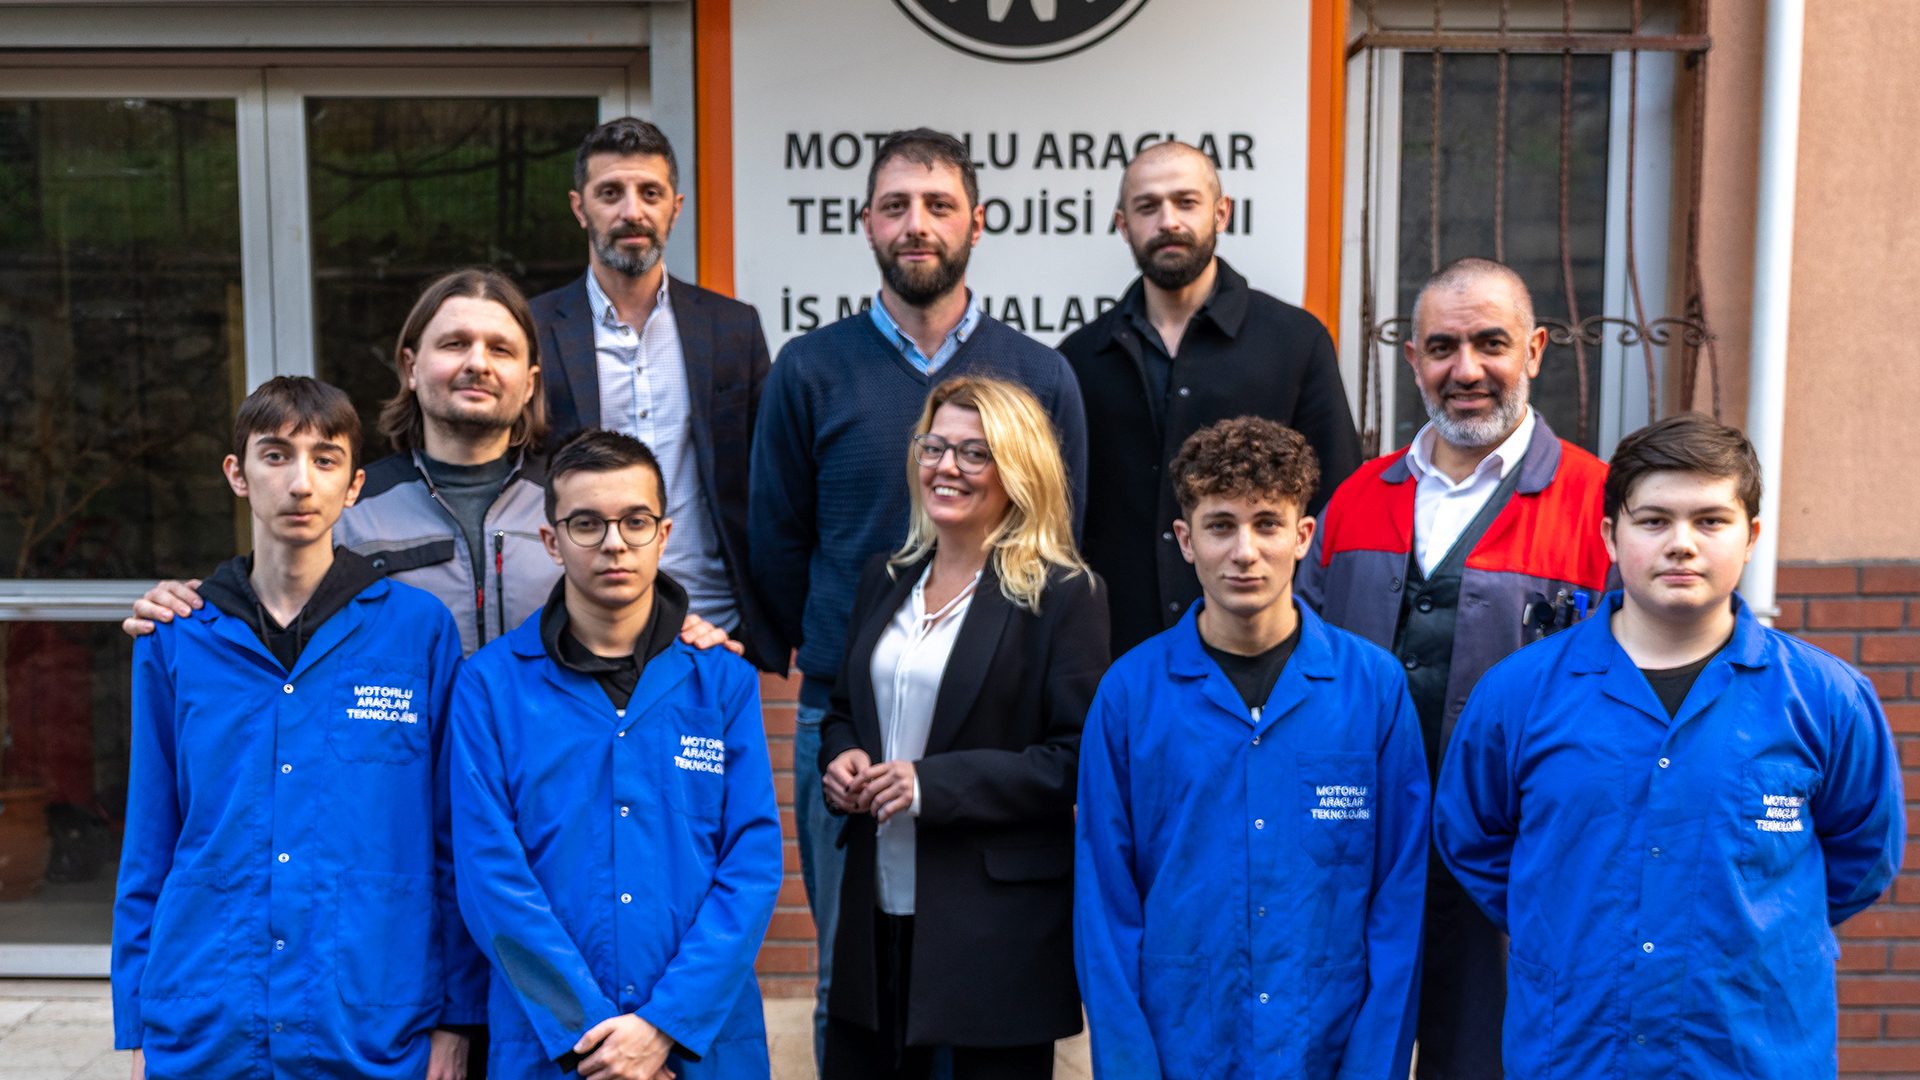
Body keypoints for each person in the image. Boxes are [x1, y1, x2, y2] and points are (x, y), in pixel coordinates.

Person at [749, 126, 1089, 1069]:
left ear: (977, 221)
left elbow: (1064, 535)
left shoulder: (1040, 374)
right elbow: (776, 532)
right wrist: (818, 661)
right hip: (849, 709)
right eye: (896, 205)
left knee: (980, 982)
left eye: (938, 205)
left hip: (995, 717)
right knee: (847, 975)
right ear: (866, 222)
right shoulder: (812, 369)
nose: (917, 224)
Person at [1433, 413, 1904, 1077]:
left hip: (1752, 1052)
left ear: (1752, 538)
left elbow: (1862, 855)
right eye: (1654, 521)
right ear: (1610, 535)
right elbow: (1472, 839)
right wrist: (1563, 919)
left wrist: (1757, 933)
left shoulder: (1823, 698)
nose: (1681, 544)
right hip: (1575, 1049)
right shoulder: (1518, 695)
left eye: (1711, 521)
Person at [112, 376, 483, 1079]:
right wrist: (138, 1024)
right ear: (238, 474)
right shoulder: (176, 638)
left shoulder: (418, 632)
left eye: (325, 458)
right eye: (276, 455)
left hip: (371, 1017)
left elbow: (449, 840)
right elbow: (149, 840)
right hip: (208, 1017)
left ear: (355, 485)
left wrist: (456, 1017)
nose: (300, 483)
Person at [1296, 256, 1612, 1078]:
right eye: (1442, 346)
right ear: (1413, 360)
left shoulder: (1602, 506)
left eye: (1491, 343)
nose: (1465, 370)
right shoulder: (1355, 498)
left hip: (1512, 870)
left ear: (1536, 350)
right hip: (1357, 855)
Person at [122, 267, 734, 657]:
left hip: (544, 797)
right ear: (411, 368)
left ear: (529, 382)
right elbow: (269, 614)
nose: (477, 363)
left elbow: (638, 616)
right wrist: (186, 606)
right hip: (395, 797)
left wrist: (687, 630)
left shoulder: (573, 511)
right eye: (454, 344)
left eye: (500, 349)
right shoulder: (352, 508)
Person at [1076, 416, 1427, 1079]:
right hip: (1182, 1046)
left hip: (1326, 1045)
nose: (1245, 551)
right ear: (1186, 540)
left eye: (1267, 524)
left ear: (1303, 537)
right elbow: (1105, 906)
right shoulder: (1129, 696)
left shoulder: (1372, 691)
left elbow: (1398, 902)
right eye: (1220, 525)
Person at [450, 429, 782, 1079]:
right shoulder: (490, 686)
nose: (613, 543)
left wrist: (664, 1027)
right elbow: (491, 875)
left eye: (635, 521)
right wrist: (591, 1034)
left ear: (664, 532)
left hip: (699, 1045)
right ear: (550, 541)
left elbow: (751, 865)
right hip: (554, 1049)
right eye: (586, 523)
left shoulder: (723, 685)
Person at [818, 376, 1106, 1078]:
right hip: (876, 907)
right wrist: (842, 755)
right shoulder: (885, 578)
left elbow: (1073, 760)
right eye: (935, 446)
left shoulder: (1064, 593)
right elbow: (844, 709)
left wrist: (928, 785)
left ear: (1018, 469)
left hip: (991, 929)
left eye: (974, 453)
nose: (946, 467)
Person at [1059, 140, 1361, 656]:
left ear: (1222, 212)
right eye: (1147, 206)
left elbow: (1338, 502)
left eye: (1186, 202)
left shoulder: (1294, 341)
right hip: (1113, 651)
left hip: (1263, 649)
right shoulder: (1080, 358)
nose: (1168, 220)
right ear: (1121, 223)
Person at [532, 116, 779, 670]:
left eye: (650, 193)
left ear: (676, 206)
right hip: (578, 626)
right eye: (610, 193)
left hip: (713, 626)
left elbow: (767, 477)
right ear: (580, 208)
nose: (631, 212)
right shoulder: (536, 328)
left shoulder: (731, 328)